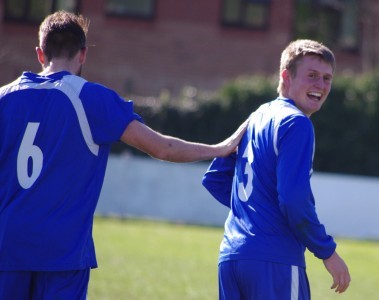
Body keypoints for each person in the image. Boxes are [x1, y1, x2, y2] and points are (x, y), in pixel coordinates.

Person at [0, 11, 247, 299]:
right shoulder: (92, 98)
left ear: (40, 54)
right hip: (61, 252)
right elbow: (162, 147)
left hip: (7, 247)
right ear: (82, 55)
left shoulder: (5, 98)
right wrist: (220, 148)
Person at [202, 39, 351, 300]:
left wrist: (258, 213)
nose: (321, 85)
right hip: (275, 261)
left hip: (231, 258)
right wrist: (327, 252)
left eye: (327, 78)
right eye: (312, 75)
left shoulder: (258, 115)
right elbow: (294, 199)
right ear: (286, 76)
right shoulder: (296, 123)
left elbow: (215, 177)